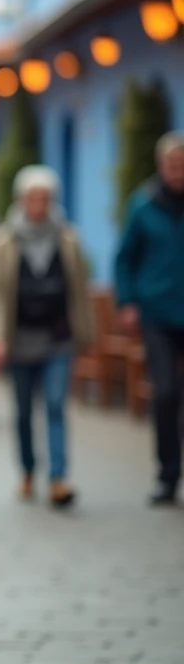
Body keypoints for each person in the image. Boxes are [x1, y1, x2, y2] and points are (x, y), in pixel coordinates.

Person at [0, 165, 94, 508]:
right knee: (25, 411)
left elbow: (79, 289)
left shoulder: (68, 238)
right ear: (21, 200)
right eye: (32, 198)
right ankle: (29, 469)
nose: (38, 205)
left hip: (58, 337)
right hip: (20, 338)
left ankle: (58, 478)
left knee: (56, 405)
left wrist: (86, 334)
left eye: (44, 198)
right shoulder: (4, 239)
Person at [115, 131, 184, 506]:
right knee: (166, 392)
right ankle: (168, 475)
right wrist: (128, 301)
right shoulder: (143, 206)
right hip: (157, 312)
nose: (178, 171)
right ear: (162, 166)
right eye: (172, 164)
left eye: (182, 164)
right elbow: (125, 258)